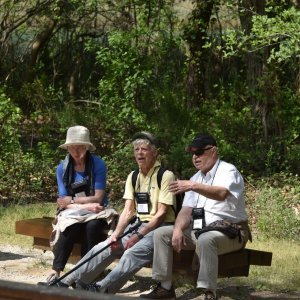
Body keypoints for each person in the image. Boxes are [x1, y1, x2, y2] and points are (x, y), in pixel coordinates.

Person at [49, 131, 176, 294]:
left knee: (131, 254)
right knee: (104, 246)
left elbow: (161, 214)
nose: (139, 153)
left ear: (154, 152)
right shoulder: (133, 176)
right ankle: (66, 281)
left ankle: (100, 289)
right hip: (138, 225)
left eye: (144, 149)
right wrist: (115, 234)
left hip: (159, 228)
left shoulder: (166, 176)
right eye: (136, 149)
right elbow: (128, 210)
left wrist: (139, 235)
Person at [141, 133, 251, 300]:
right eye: (193, 153)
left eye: (199, 152)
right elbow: (186, 211)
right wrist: (177, 229)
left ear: (213, 151)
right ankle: (165, 287)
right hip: (201, 230)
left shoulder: (228, 170)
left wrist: (192, 186)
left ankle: (208, 293)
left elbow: (221, 193)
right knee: (161, 233)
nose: (195, 157)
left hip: (231, 231)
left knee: (207, 239)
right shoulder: (196, 177)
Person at [46, 125, 109, 284]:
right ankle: (56, 270)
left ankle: (85, 272)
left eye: (80, 147)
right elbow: (62, 202)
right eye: (72, 147)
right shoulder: (62, 168)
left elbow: (99, 198)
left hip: (97, 211)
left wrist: (73, 201)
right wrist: (85, 205)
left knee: (93, 227)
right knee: (70, 225)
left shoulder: (98, 164)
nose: (76, 151)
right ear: (67, 148)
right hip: (76, 210)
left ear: (87, 147)